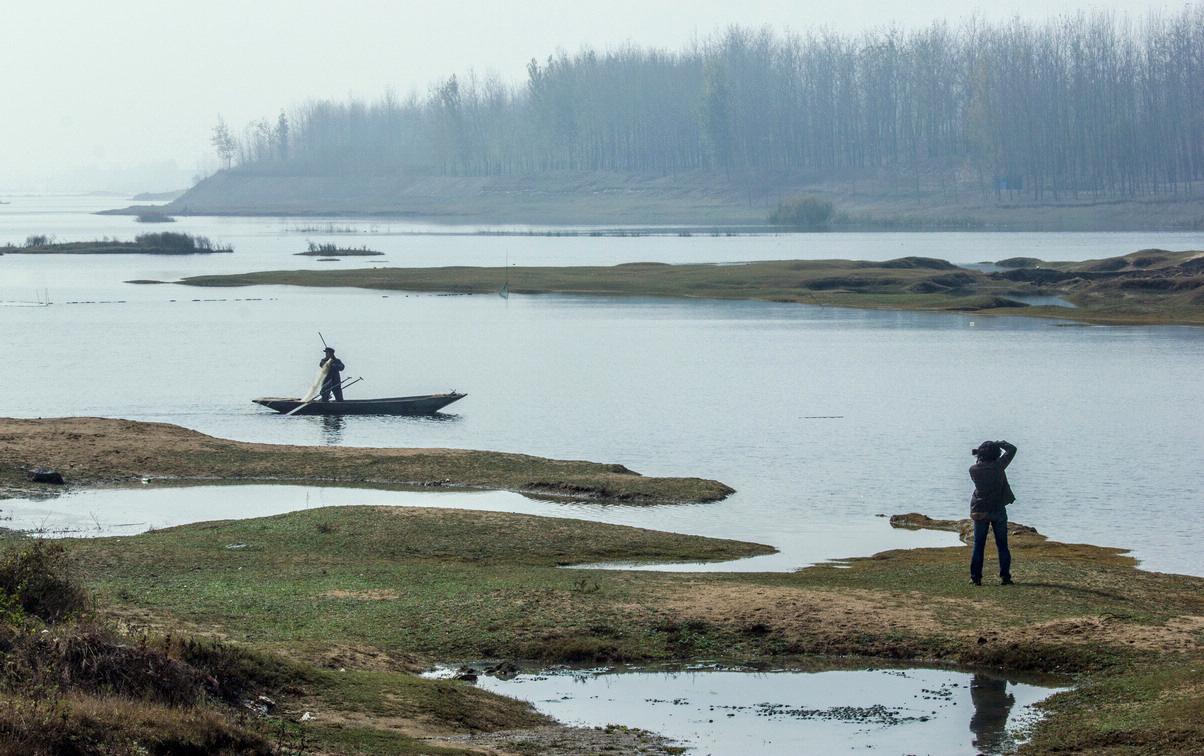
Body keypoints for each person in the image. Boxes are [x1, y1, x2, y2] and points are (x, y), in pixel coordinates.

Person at [968, 440, 1017, 585]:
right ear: (996, 454)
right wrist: (1000, 443)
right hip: (998, 509)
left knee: (978, 545)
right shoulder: (999, 466)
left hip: (979, 510)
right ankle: (1005, 577)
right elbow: (1012, 449)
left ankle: (975, 578)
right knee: (1002, 545)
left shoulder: (973, 469)